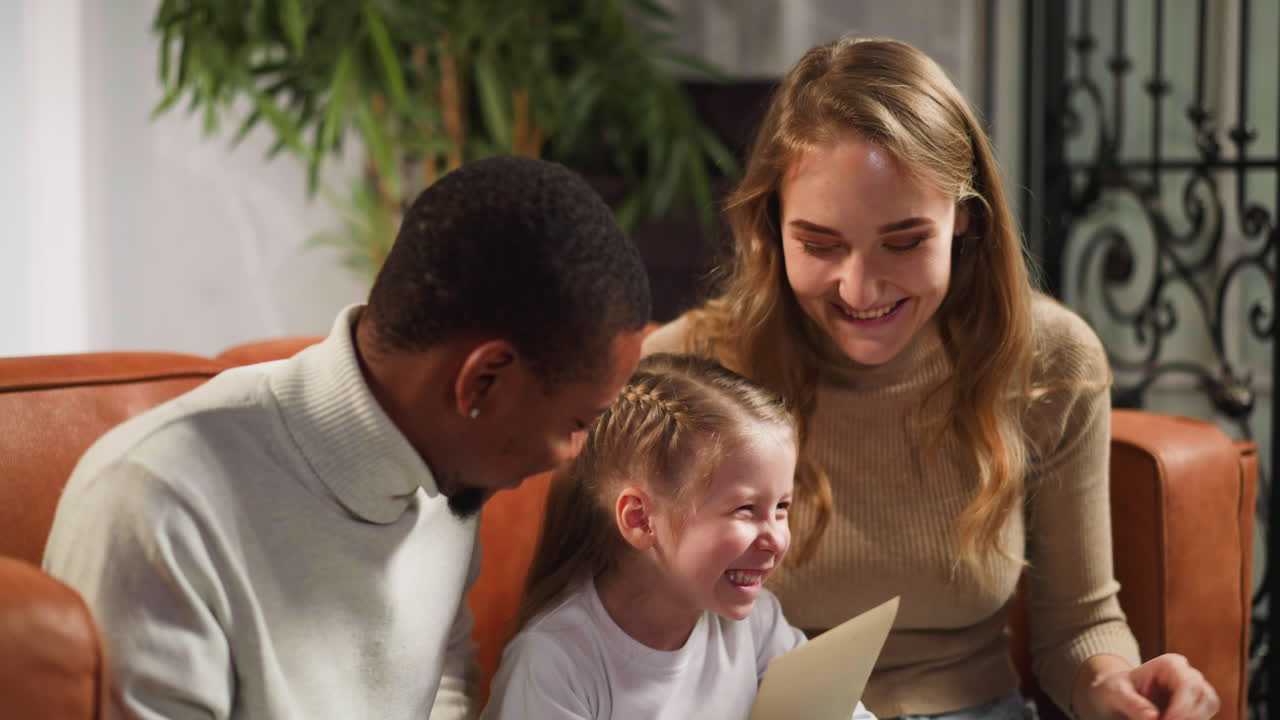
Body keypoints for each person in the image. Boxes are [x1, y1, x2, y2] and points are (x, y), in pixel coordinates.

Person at [642, 36, 1220, 720]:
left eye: (905, 241)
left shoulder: (1050, 361)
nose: (860, 288)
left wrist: (1113, 683)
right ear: (771, 224)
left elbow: (1078, 627)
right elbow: (628, 627)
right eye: (820, 244)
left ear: (964, 219)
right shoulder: (688, 373)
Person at [42, 155, 651, 720]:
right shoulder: (154, 505)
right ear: (481, 382)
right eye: (576, 424)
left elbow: (443, 676)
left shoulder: (450, 475)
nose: (569, 456)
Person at [481, 352, 876, 720]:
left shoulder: (758, 623)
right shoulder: (554, 663)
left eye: (782, 507)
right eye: (745, 509)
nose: (776, 538)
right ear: (640, 520)